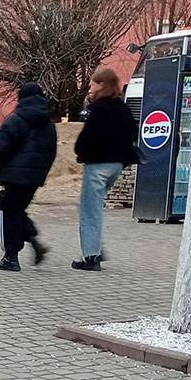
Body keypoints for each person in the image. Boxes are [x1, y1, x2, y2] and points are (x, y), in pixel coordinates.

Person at [72, 67, 139, 271]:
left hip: (97, 164)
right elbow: (133, 133)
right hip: (117, 165)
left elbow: (88, 137)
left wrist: (80, 150)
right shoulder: (124, 108)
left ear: (102, 85)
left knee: (90, 210)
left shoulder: (99, 109)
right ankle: (96, 247)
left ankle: (91, 256)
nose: (90, 88)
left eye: (92, 84)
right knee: (95, 206)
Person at [0, 82, 56, 272]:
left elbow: (3, 149)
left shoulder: (15, 119)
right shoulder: (48, 124)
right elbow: (51, 152)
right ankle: (34, 242)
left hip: (13, 175)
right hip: (33, 178)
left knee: (6, 212)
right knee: (17, 210)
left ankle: (10, 257)